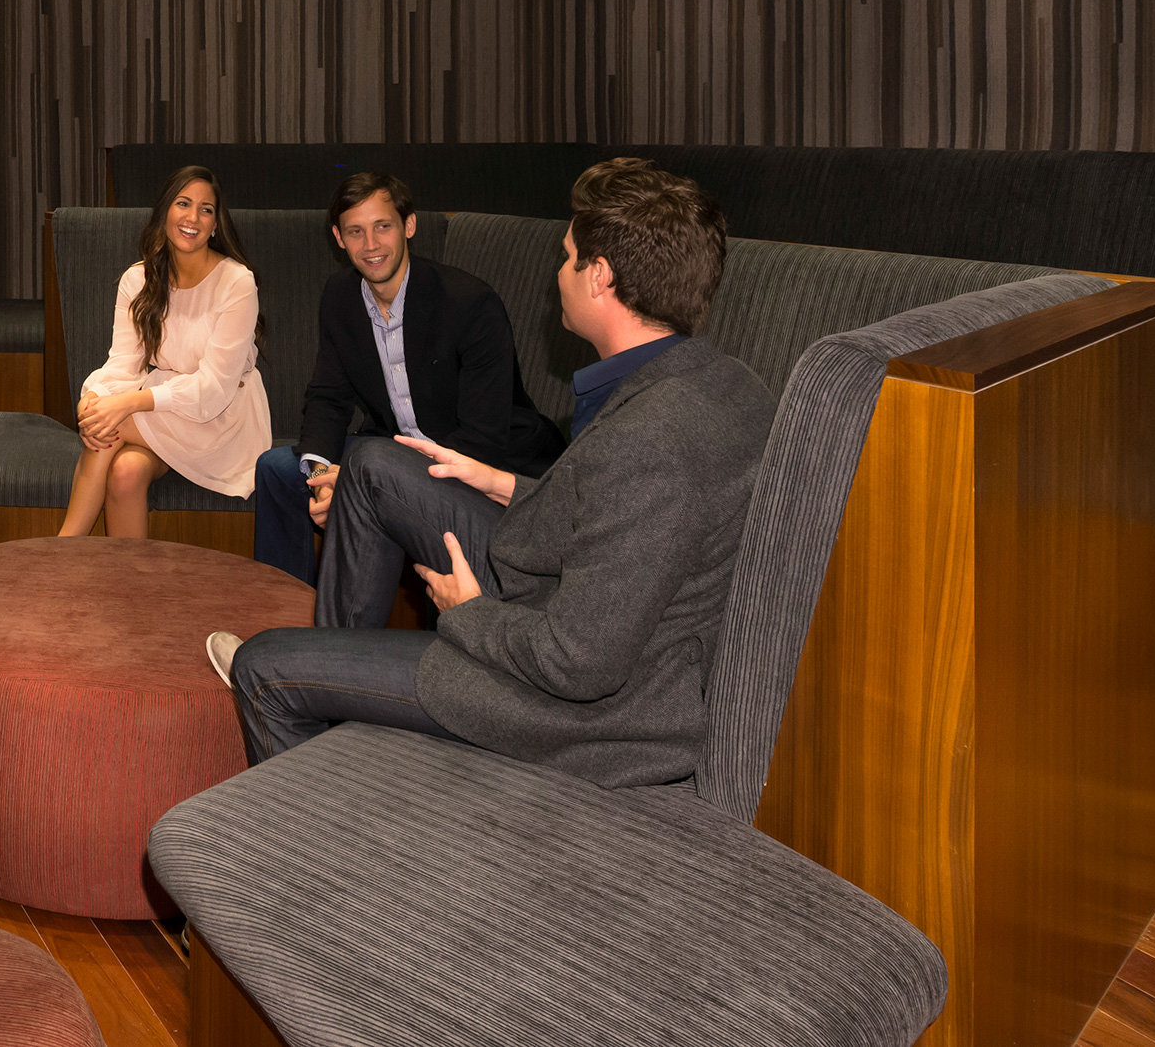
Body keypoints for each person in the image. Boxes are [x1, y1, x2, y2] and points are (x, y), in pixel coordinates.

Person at [217, 158, 777, 791]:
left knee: (262, 666)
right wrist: (503, 484)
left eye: (568, 258)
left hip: (574, 709)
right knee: (371, 465)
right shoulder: (726, 384)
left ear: (600, 277)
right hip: (569, 601)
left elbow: (578, 662)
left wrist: (470, 612)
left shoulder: (653, 437)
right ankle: (337, 671)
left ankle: (329, 820)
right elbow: (628, 525)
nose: (558, 273)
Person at [250, 173, 565, 584]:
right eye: (356, 231)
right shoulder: (340, 296)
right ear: (339, 238)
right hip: (391, 445)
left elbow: (482, 437)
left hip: (483, 458)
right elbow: (329, 396)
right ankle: (282, 612)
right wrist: (320, 482)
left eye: (383, 226)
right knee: (276, 469)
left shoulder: (470, 304)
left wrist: (366, 479)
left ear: (409, 226)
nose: (371, 244)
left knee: (374, 481)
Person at [60, 165, 271, 542]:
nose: (193, 217)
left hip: (222, 418)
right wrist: (95, 398)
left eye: (206, 209)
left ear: (215, 225)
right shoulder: (137, 279)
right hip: (167, 414)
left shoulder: (236, 282)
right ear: (165, 213)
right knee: (125, 472)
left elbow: (214, 390)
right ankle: (127, 579)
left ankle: (62, 550)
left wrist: (125, 404)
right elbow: (123, 362)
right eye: (183, 204)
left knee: (110, 425)